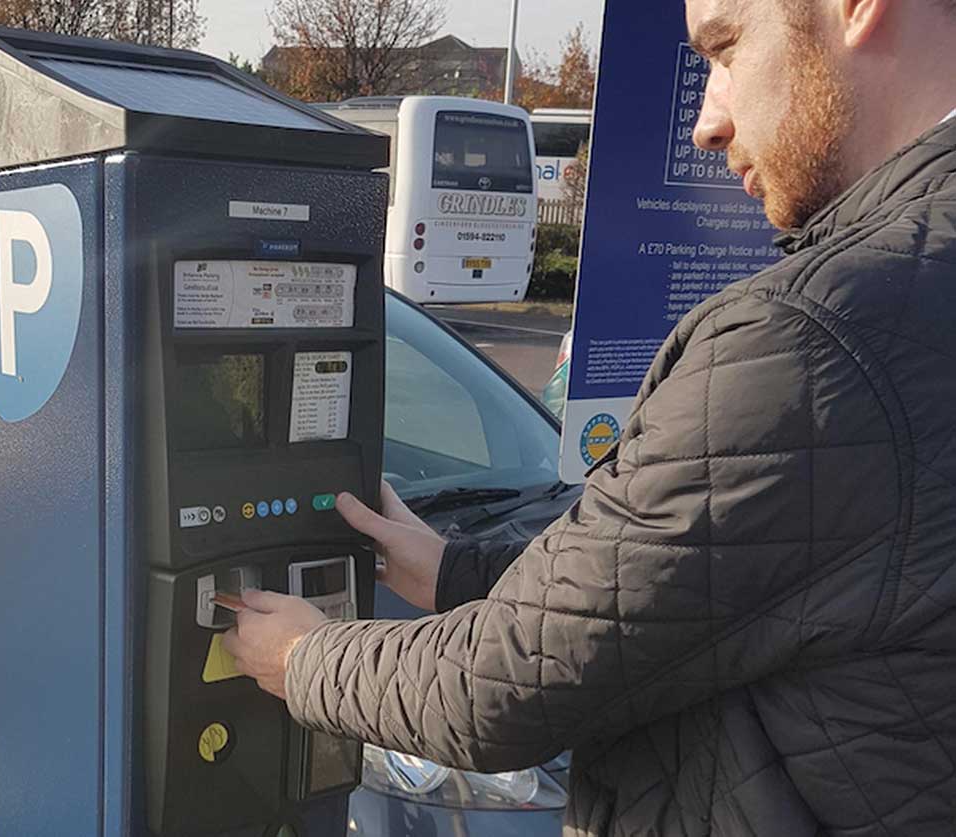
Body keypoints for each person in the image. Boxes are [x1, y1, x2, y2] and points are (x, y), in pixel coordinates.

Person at [223, 0, 956, 833]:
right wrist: (449, 568)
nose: (706, 123)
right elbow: (718, 583)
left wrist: (301, 657)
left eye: (726, 47)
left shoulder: (819, 335)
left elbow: (497, 686)